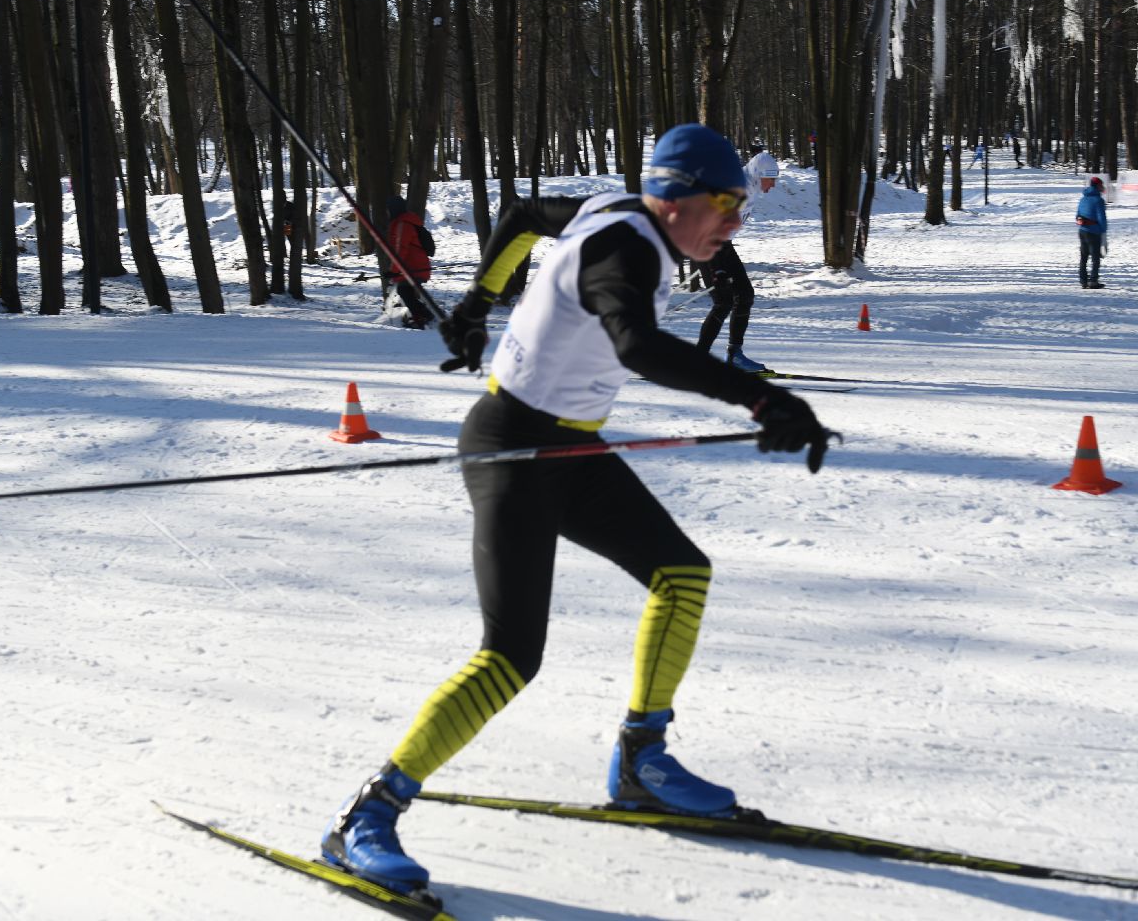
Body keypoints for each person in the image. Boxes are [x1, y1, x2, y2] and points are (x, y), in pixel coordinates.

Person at [321, 124, 830, 897]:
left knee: (682, 572)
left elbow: (524, 216)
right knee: (511, 656)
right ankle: (367, 816)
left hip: (572, 448)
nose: (734, 225)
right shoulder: (625, 251)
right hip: (514, 450)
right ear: (677, 197)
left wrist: (476, 302)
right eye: (726, 205)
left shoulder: (618, 208)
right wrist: (760, 395)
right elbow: (637, 345)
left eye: (740, 209)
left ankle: (641, 760)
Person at [695, 143, 777, 374]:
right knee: (723, 301)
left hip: (722, 243)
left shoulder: (749, 187)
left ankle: (735, 355)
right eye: (771, 179)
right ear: (759, 176)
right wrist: (716, 268)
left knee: (745, 294)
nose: (773, 185)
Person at [386, 194, 434, 329]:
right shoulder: (403, 222)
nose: (387, 212)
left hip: (414, 266)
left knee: (405, 292)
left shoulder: (403, 224)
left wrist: (393, 271)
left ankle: (423, 317)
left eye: (388, 209)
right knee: (406, 292)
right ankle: (424, 316)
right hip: (412, 265)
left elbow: (401, 249)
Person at [1076, 176, 1108, 289]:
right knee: (1095, 257)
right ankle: (1093, 281)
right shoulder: (1098, 200)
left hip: (1082, 231)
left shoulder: (1083, 199)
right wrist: (1103, 231)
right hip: (1093, 232)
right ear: (1098, 186)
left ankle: (1083, 280)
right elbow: (1101, 218)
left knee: (1083, 256)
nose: (1102, 187)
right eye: (1101, 185)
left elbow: (1077, 215)